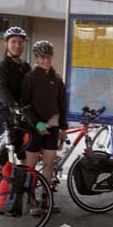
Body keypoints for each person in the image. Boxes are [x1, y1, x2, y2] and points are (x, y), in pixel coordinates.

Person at [21, 40, 68, 212]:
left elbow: (62, 105)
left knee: (49, 165)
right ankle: (31, 201)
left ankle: (46, 199)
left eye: (47, 57)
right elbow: (24, 105)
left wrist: (63, 128)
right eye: (41, 58)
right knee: (31, 165)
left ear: (51, 57)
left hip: (53, 127)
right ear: (36, 58)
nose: (45, 61)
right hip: (34, 127)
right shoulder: (29, 78)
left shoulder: (57, 79)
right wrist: (38, 124)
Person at [0, 27, 31, 168]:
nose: (17, 45)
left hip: (23, 117)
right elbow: (1, 88)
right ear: (6, 44)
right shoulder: (1, 66)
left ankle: (20, 186)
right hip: (5, 115)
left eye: (20, 42)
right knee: (3, 155)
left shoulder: (26, 67)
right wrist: (13, 106)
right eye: (13, 41)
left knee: (24, 152)